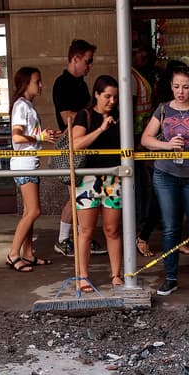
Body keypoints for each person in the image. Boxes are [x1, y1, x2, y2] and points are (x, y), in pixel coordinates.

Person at [140, 63, 189, 298]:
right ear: (171, 87)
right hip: (165, 175)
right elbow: (146, 139)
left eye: (185, 87)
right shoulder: (163, 109)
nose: (180, 91)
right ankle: (170, 278)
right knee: (171, 227)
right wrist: (167, 145)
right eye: (176, 87)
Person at [69, 75, 123, 291]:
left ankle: (116, 274)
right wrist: (101, 128)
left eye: (115, 97)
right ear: (96, 95)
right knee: (86, 230)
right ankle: (83, 276)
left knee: (112, 229)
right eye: (107, 96)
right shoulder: (85, 115)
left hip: (113, 177)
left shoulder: (120, 116)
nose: (112, 101)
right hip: (88, 178)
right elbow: (75, 144)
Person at [51, 39, 105, 258]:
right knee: (75, 195)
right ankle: (64, 239)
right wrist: (93, 118)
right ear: (75, 59)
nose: (89, 66)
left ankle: (82, 235)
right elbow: (67, 118)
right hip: (73, 144)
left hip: (85, 143)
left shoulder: (81, 83)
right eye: (87, 61)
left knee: (84, 194)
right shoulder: (63, 83)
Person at [6, 66, 57, 272]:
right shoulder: (21, 106)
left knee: (29, 211)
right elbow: (16, 136)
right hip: (23, 163)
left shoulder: (27, 105)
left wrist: (44, 136)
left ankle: (27, 254)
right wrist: (39, 137)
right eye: (37, 81)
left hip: (29, 162)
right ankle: (13, 254)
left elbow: (29, 135)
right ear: (26, 83)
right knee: (34, 211)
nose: (41, 85)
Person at [130, 41, 162, 259]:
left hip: (142, 139)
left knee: (148, 189)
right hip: (137, 141)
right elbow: (132, 110)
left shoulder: (141, 76)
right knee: (144, 190)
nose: (145, 57)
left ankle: (141, 234)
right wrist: (138, 141)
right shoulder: (131, 78)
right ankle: (139, 235)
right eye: (141, 53)